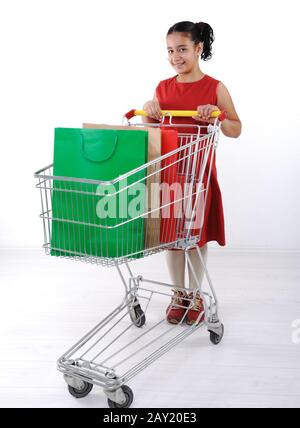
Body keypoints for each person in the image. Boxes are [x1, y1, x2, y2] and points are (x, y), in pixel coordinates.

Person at [143, 21, 242, 325]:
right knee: (170, 238)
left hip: (198, 176)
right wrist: (149, 112)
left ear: (199, 48)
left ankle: (196, 294)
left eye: (182, 49)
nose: (176, 56)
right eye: (170, 50)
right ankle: (178, 294)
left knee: (195, 238)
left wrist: (217, 114)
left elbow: (235, 129)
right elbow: (150, 133)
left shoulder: (214, 87)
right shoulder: (163, 88)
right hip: (169, 176)